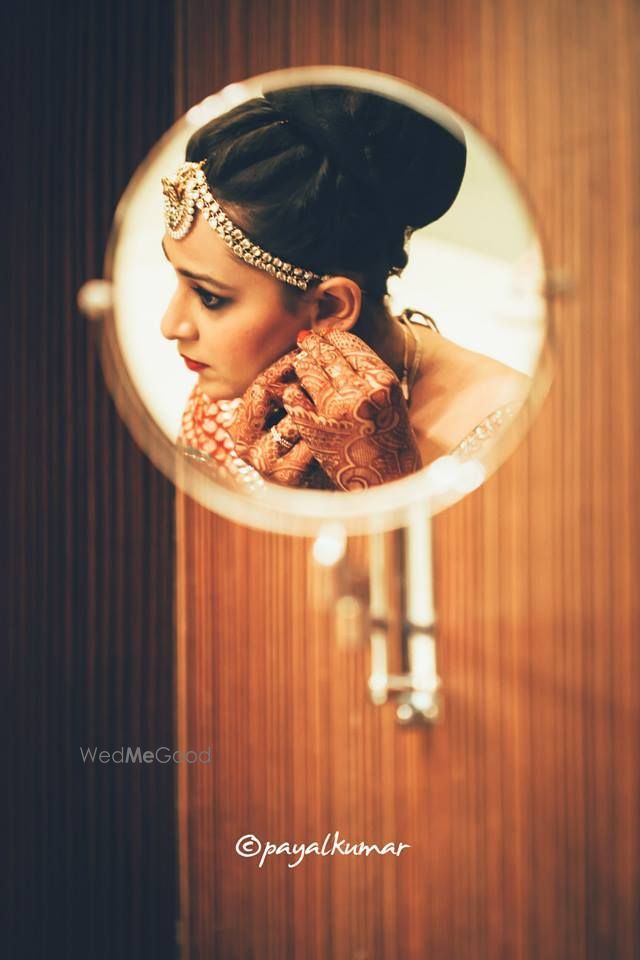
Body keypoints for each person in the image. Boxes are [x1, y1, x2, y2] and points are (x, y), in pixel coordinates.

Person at [160, 86, 529, 491]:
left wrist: (384, 489)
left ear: (331, 306)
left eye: (209, 297)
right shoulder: (229, 403)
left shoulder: (508, 426)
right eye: (177, 279)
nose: (171, 324)